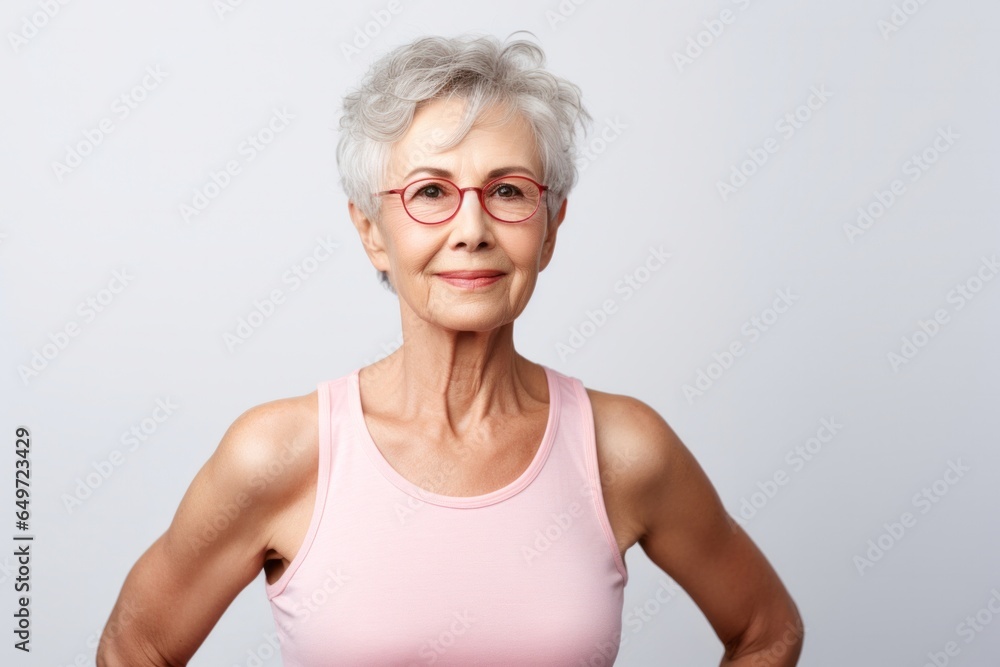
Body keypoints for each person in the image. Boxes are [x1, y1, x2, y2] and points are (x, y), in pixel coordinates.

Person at [97, 32, 803, 666]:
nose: (472, 227)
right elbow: (137, 647)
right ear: (372, 229)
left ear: (550, 228)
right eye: (431, 191)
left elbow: (767, 628)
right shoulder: (280, 453)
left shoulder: (624, 448)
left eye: (508, 191)